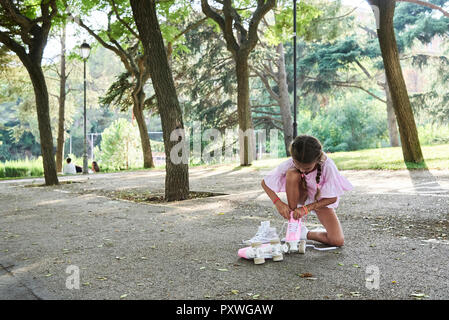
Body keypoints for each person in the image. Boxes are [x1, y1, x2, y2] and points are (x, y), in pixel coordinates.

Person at [261, 135, 353, 247]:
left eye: (307, 168)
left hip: (320, 201)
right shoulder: (291, 163)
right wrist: (278, 203)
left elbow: (332, 198)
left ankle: (303, 233)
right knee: (292, 174)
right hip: (301, 194)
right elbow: (265, 183)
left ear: (317, 160)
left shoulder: (328, 166)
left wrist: (307, 208)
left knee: (337, 241)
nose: (302, 170)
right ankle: (294, 224)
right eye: (297, 165)